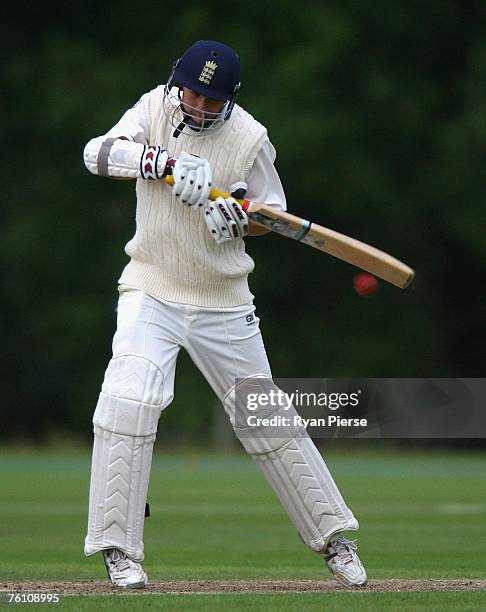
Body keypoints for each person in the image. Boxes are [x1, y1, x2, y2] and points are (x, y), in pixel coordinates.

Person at [83, 40, 367, 589]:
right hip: (152, 283)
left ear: (229, 101)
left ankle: (335, 539)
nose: (199, 106)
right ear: (176, 83)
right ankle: (118, 549)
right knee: (129, 399)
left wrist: (239, 219)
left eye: (212, 100)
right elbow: (95, 154)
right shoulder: (151, 111)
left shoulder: (251, 138)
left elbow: (273, 216)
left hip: (223, 299)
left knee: (266, 418)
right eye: (192, 92)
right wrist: (158, 161)